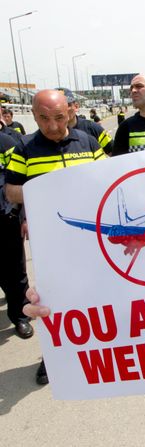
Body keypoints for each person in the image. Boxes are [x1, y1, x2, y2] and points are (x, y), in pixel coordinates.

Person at [5, 89, 106, 384]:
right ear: (34, 116)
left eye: (59, 118)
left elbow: (106, 178)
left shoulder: (87, 142)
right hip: (52, 243)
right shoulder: (23, 148)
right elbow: (11, 191)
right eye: (44, 118)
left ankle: (102, 351)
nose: (52, 126)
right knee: (55, 303)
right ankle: (54, 358)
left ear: (70, 112)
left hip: (91, 237)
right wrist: (49, 192)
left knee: (97, 296)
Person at [0, 130, 33, 340]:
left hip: (5, 218)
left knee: (14, 270)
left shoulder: (6, 143)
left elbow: (20, 183)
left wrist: (24, 217)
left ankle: (20, 315)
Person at [56, 88, 114, 155]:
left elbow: (115, 154)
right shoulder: (48, 134)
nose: (64, 109)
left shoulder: (93, 128)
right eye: (59, 106)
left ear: (76, 107)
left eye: (67, 105)